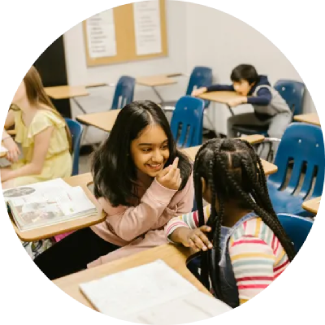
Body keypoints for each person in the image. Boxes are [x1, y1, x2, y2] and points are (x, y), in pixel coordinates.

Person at [33, 100, 194, 280]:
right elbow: (126, 231)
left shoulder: (181, 171)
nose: (158, 157)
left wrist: (111, 262)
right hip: (109, 236)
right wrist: (160, 191)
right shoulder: (110, 170)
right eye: (147, 149)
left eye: (164, 146)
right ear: (126, 147)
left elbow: (177, 226)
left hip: (153, 245)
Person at [166, 138, 296, 308]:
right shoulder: (215, 213)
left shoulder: (249, 244)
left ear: (203, 184)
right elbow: (172, 224)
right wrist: (186, 234)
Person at [192, 64, 292, 158]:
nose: (236, 87)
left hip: (280, 115)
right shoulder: (245, 87)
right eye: (235, 83)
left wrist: (243, 99)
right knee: (231, 121)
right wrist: (204, 89)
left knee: (275, 133)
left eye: (240, 84)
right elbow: (223, 87)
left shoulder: (263, 88)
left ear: (251, 83)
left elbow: (266, 99)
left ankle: (278, 162)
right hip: (261, 116)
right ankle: (231, 153)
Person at [0, 66, 72, 188]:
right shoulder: (18, 110)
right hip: (32, 166)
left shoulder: (42, 119)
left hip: (50, 171)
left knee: (4, 186)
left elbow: (36, 167)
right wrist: (7, 139)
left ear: (29, 84)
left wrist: (9, 175)